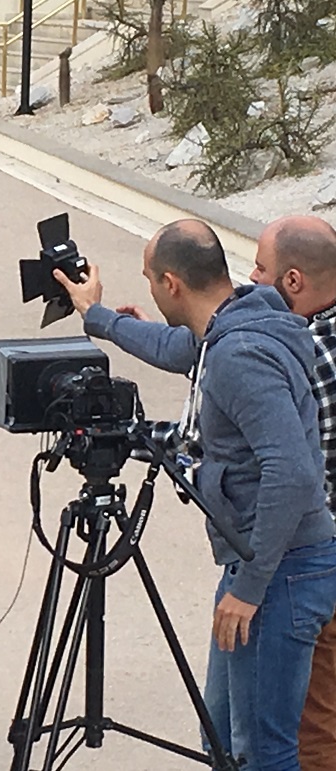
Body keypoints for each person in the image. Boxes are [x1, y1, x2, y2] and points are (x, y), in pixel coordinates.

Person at [53, 218, 336, 770]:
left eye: (149, 280)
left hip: (281, 571)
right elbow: (179, 347)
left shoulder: (239, 353)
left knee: (265, 750)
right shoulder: (240, 319)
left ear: (171, 284)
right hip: (259, 564)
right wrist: (99, 317)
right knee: (224, 740)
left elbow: (293, 473)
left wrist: (250, 588)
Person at [249, 215, 336, 771]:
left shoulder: (306, 354)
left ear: (294, 281)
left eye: (260, 268)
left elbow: (281, 466)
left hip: (313, 562)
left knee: (311, 728)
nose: (251, 280)